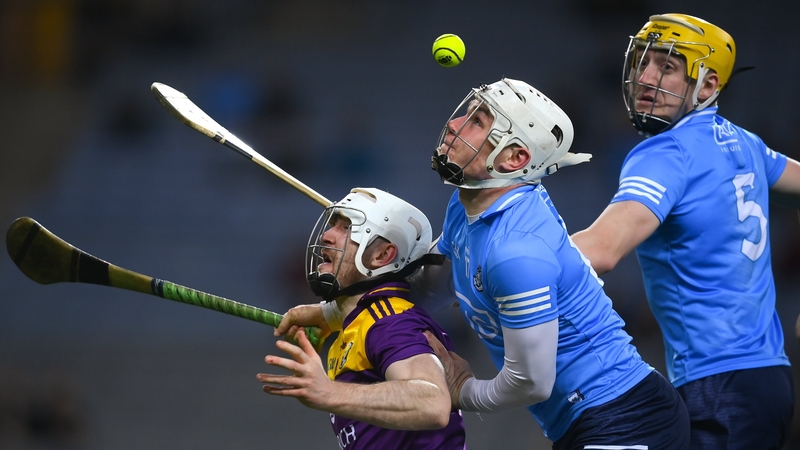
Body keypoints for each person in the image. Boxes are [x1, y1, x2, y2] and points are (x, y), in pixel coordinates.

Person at [278, 78, 691, 448]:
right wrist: (331, 312)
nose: (455, 125)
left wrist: (463, 390)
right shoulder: (468, 205)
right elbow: (427, 288)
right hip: (583, 423)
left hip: (626, 417)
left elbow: (531, 382)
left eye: (477, 121)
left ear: (513, 158)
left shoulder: (515, 253)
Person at [570, 13, 800, 449]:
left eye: (667, 66)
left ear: (709, 86)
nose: (645, 77)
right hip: (768, 379)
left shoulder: (664, 152)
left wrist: (505, 257)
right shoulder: (745, 142)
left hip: (719, 387)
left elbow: (600, 250)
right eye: (642, 61)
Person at [256, 187, 466, 450]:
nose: (327, 235)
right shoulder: (362, 322)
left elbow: (432, 402)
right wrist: (328, 314)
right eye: (333, 225)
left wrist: (329, 392)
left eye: (347, 228)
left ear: (381, 256)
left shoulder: (389, 321)